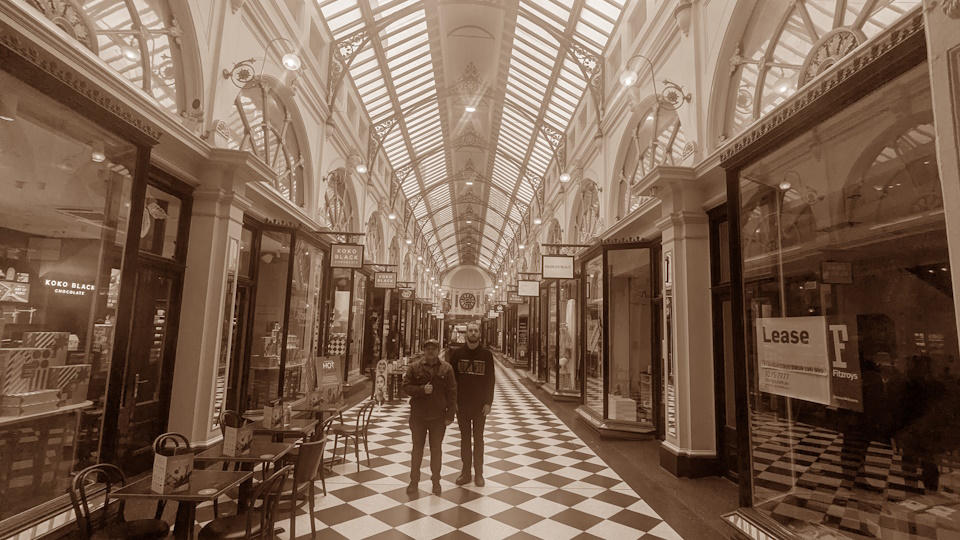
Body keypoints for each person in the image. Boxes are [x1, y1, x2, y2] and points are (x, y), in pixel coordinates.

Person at [402, 338, 457, 495]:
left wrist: (450, 415)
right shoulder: (414, 367)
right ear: (424, 350)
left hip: (438, 416)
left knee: (436, 450)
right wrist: (421, 390)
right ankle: (414, 481)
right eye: (428, 349)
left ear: (438, 350)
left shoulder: (447, 369)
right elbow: (405, 386)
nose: (430, 351)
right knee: (417, 449)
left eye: (433, 348)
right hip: (418, 416)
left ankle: (436, 481)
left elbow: (452, 392)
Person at [450, 322, 495, 487]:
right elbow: (451, 379)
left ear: (479, 333)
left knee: (479, 439)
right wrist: (452, 400)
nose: (473, 333)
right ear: (466, 333)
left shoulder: (487, 355)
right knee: (464, 439)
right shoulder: (457, 354)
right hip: (462, 404)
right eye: (471, 330)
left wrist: (488, 402)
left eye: (476, 330)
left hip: (479, 406)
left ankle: (479, 474)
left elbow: (490, 379)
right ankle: (465, 472)